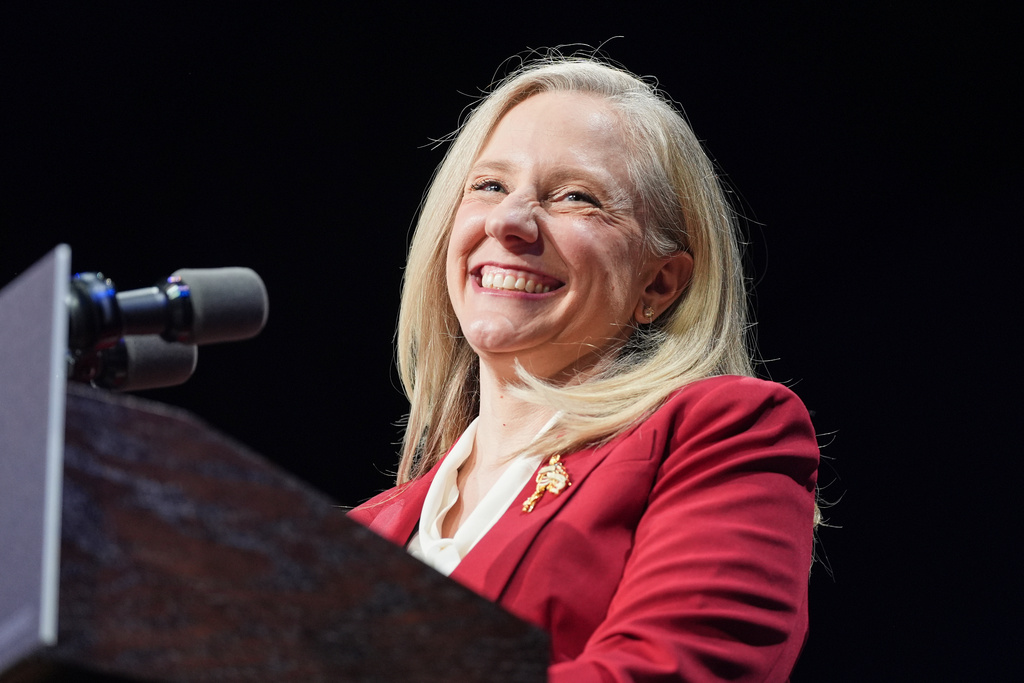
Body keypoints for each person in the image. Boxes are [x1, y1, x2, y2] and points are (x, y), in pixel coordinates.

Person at [349, 55, 819, 682]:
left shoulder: (723, 431)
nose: (509, 222)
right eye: (489, 185)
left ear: (659, 283)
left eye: (576, 197)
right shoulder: (355, 537)